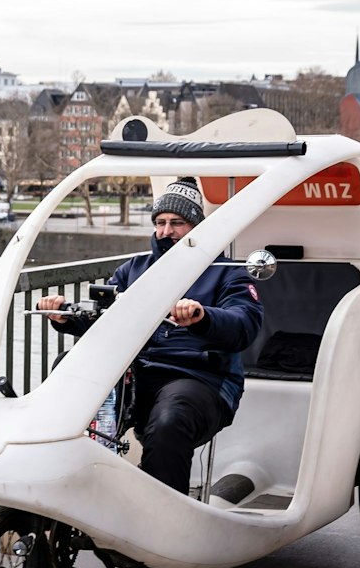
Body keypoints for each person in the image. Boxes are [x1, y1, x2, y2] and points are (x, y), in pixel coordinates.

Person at [37, 178, 263, 493]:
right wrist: (65, 316)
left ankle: (164, 521)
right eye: (160, 222)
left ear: (198, 226)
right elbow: (107, 317)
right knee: (68, 372)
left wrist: (201, 317)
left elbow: (245, 324)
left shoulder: (228, 272)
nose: (166, 231)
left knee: (171, 419)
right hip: (135, 375)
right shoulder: (134, 269)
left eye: (177, 223)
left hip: (200, 379)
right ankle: (68, 491)